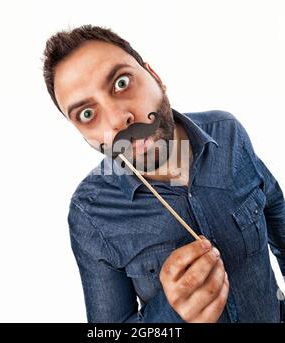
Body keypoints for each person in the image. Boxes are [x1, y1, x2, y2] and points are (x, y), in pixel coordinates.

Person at [42, 24, 285, 322]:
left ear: (155, 77)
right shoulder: (90, 212)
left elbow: (274, 205)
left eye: (121, 83)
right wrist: (170, 313)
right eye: (87, 114)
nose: (119, 120)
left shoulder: (227, 132)